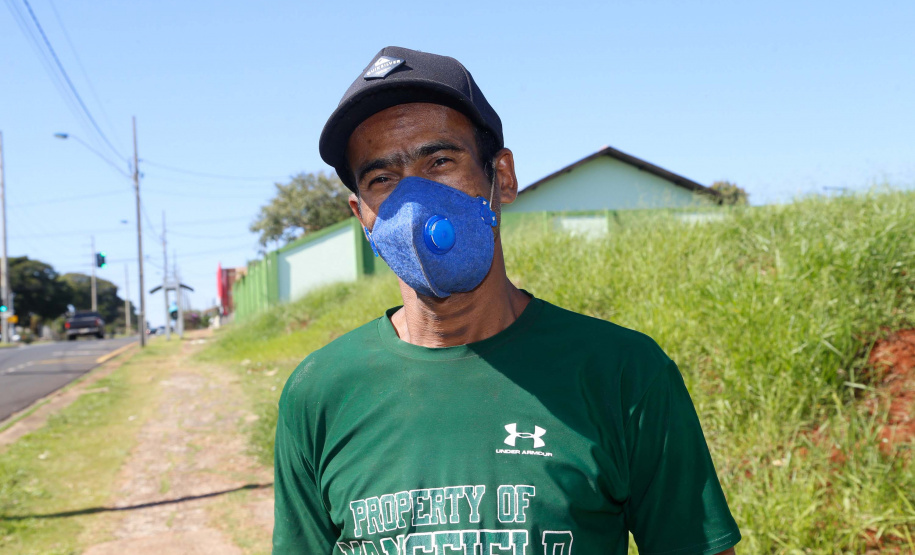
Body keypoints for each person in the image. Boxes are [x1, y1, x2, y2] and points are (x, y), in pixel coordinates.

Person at [273, 46, 741, 555]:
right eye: (382, 179)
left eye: (440, 161)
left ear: (504, 176)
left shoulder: (622, 374)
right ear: (362, 215)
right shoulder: (320, 392)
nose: (414, 202)